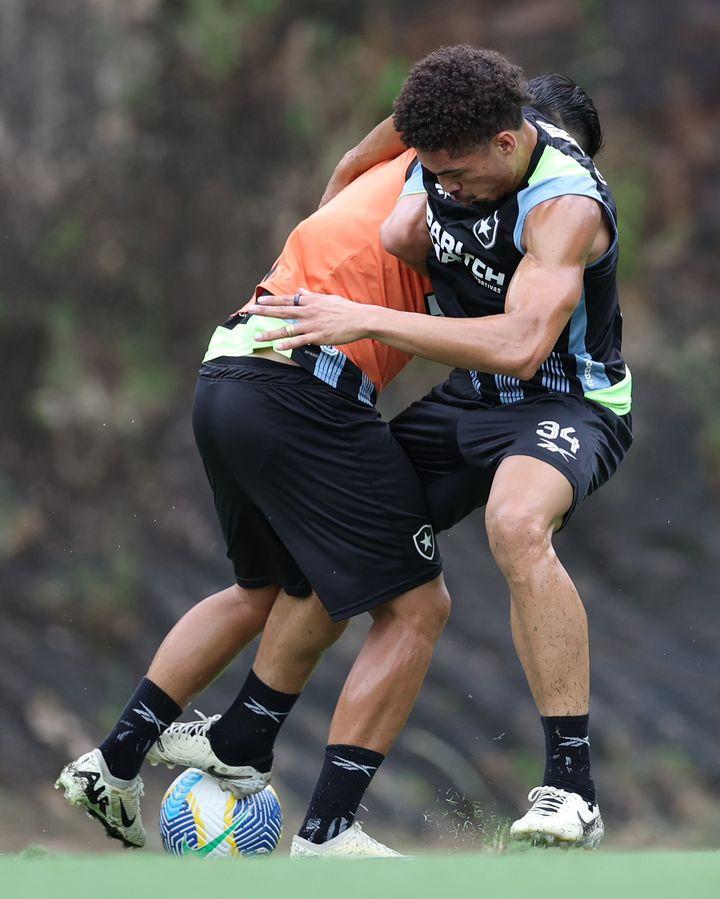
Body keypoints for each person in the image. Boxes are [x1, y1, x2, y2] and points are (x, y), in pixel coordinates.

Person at [55, 67, 609, 856]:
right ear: (505, 136)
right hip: (300, 388)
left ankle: (112, 762)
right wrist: (359, 308)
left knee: (270, 588)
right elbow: (515, 337)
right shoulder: (458, 192)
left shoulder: (400, 167)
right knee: (418, 607)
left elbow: (349, 167)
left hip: (230, 365)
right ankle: (326, 829)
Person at [248, 48, 632, 848]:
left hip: (566, 400)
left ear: (505, 141)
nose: (442, 183)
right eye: (431, 169)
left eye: (456, 172)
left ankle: (572, 787)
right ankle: (253, 753)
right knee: (353, 538)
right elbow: (362, 161)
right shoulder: (433, 143)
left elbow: (526, 344)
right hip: (470, 399)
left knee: (516, 522)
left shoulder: (567, 203)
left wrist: (371, 319)